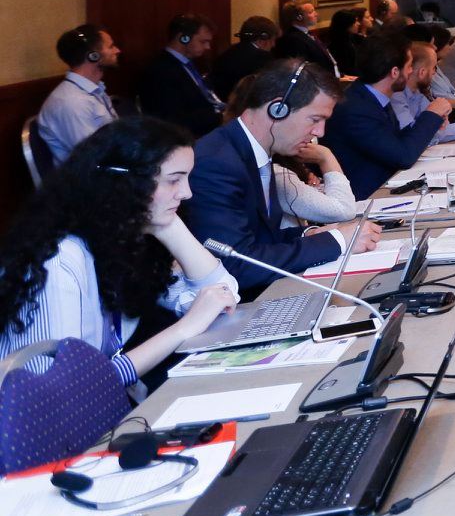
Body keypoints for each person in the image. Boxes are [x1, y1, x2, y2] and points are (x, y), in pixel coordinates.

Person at [0, 117, 240, 389]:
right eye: (174, 180)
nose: (186, 193)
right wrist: (183, 329)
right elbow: (68, 390)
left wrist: (171, 228)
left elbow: (224, 297)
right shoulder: (57, 260)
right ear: (126, 184)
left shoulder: (120, 237)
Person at [184, 60, 380, 294]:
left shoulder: (250, 150)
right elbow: (235, 263)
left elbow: (260, 239)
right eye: (315, 119)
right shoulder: (216, 162)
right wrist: (337, 241)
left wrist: (311, 234)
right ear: (278, 109)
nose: (320, 132)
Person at [323, 36, 452, 197]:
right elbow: (403, 156)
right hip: (366, 197)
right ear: (395, 72)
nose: (411, 71)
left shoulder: (372, 96)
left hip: (386, 187)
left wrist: (433, 122)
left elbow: (399, 141)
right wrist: (431, 115)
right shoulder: (356, 109)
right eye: (409, 66)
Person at [223, 81, 358, 227]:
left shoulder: (261, 162)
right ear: (277, 112)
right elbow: (344, 210)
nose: (319, 132)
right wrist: (326, 157)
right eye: (313, 120)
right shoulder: (276, 174)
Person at [37, 24, 121, 166]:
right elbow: (92, 158)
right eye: (111, 46)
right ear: (93, 56)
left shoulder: (93, 90)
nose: (117, 50)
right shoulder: (71, 102)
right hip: (92, 177)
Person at [135, 14, 226, 139]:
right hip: (190, 137)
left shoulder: (192, 64)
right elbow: (174, 120)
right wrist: (220, 117)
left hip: (211, 126)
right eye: (203, 41)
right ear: (184, 38)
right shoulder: (160, 71)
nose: (208, 47)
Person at [391, 42, 455, 146]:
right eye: (434, 67)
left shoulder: (417, 94)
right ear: (422, 72)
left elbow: (436, 131)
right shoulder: (397, 98)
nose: (435, 73)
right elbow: (414, 137)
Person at [208, 16, 278, 105]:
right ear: (262, 40)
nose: (273, 45)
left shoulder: (226, 54)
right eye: (273, 40)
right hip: (245, 107)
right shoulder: (262, 58)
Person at [275, 0, 338, 73]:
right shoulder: (293, 39)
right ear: (299, 17)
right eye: (311, 12)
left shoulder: (307, 33)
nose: (316, 14)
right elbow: (305, 69)